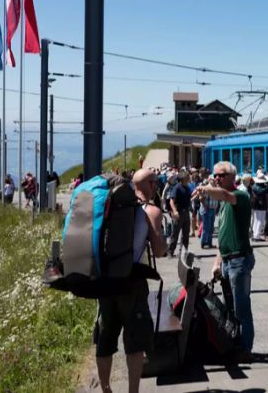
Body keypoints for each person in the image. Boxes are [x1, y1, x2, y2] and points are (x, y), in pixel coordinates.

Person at [94, 168, 167, 393]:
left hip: (105, 280)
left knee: (105, 337)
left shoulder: (112, 205)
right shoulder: (151, 211)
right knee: (135, 340)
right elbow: (160, 250)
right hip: (131, 282)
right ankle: (132, 391)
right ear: (152, 185)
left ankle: (106, 388)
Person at [200, 161, 255, 363]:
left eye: (221, 175)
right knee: (231, 307)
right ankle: (236, 343)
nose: (217, 178)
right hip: (229, 260)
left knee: (241, 307)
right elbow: (223, 237)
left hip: (240, 260)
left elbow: (224, 195)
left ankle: (246, 349)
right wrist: (217, 263)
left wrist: (205, 187)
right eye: (215, 175)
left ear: (232, 176)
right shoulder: (224, 203)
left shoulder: (239, 196)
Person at [167, 171, 192, 257]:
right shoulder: (177, 188)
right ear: (183, 178)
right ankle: (170, 252)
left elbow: (190, 198)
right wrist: (175, 211)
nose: (189, 178)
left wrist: (197, 194)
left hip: (186, 213)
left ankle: (184, 252)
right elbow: (171, 201)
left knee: (186, 234)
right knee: (175, 234)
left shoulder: (188, 187)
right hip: (178, 213)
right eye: (188, 177)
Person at [198, 176, 220, 249]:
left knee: (211, 227)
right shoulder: (206, 188)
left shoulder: (216, 188)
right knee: (206, 227)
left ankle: (209, 242)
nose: (214, 181)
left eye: (215, 180)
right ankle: (203, 242)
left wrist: (216, 209)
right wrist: (205, 206)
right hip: (206, 209)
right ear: (209, 180)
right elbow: (201, 198)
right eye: (212, 179)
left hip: (213, 209)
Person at [251, 173, 268, 242]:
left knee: (256, 219)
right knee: (261, 220)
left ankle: (254, 234)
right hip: (263, 205)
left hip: (255, 205)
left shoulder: (254, 186)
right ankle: (257, 236)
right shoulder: (265, 188)